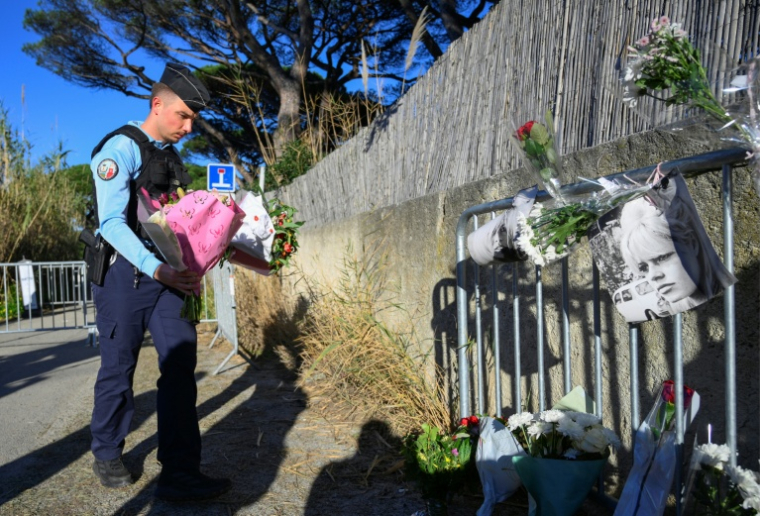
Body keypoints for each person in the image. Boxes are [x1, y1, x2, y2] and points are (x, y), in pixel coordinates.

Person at [88, 63, 232, 501]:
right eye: (183, 116)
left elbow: (177, 222)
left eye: (193, 120)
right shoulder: (121, 148)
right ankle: (107, 450)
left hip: (169, 279)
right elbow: (111, 224)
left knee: (179, 368)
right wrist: (157, 269)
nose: (189, 127)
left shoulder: (170, 156)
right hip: (123, 278)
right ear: (157, 105)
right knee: (119, 366)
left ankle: (180, 471)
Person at [617, 177, 733, 314]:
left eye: (661, 258)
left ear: (692, 244)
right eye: (644, 267)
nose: (653, 276)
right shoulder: (676, 306)